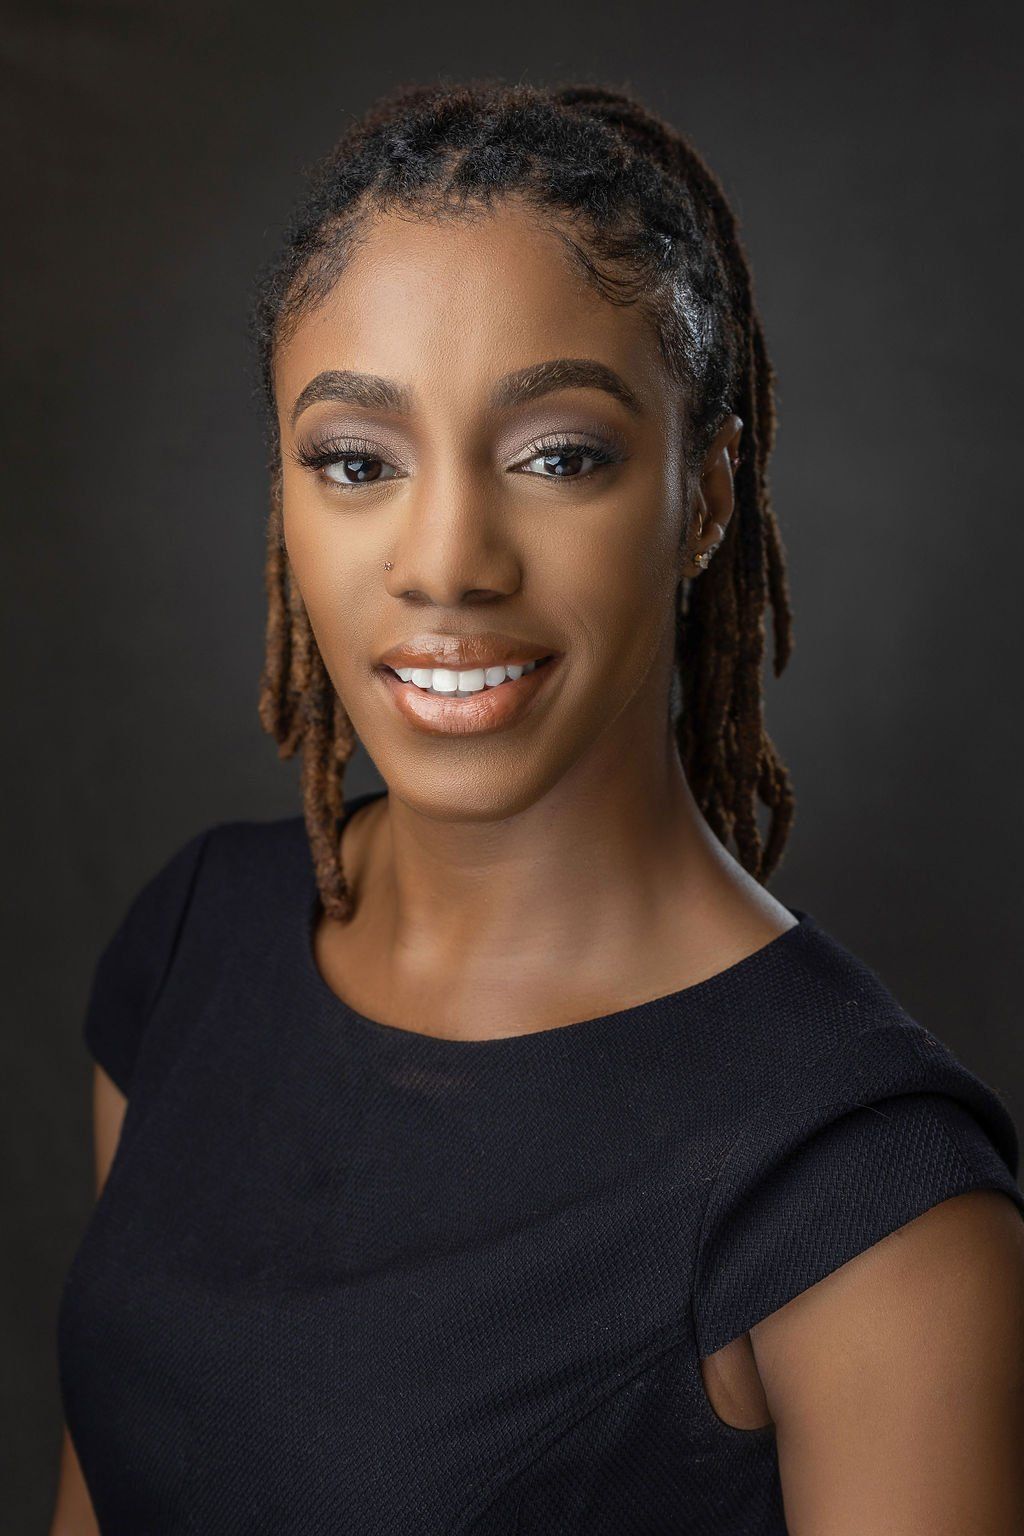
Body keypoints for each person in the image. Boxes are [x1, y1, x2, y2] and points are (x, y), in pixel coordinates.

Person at [52, 79, 1024, 1534]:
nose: (447, 562)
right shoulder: (193, 945)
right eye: (356, 463)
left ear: (705, 496)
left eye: (559, 456)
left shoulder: (866, 1196)